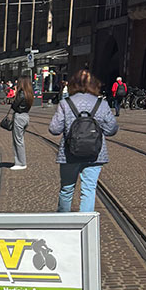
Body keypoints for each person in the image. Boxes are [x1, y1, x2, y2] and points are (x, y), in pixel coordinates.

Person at [49, 69, 118, 213]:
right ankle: (86, 226)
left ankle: (63, 224)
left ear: (73, 84)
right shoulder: (102, 104)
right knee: (89, 189)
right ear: (94, 84)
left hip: (69, 153)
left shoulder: (65, 103)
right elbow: (111, 129)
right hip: (95, 153)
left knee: (67, 189)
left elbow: (54, 129)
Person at [9, 76, 34, 170]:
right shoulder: (29, 93)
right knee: (20, 139)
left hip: (19, 117)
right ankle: (20, 161)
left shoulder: (21, 94)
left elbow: (14, 106)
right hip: (26, 116)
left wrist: (15, 94)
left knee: (18, 140)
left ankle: (20, 162)